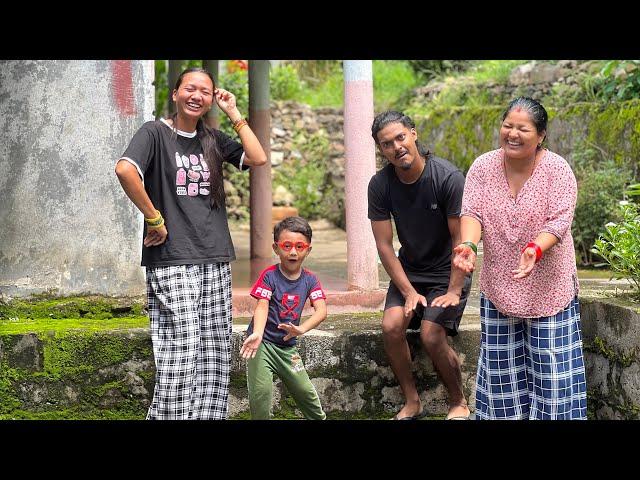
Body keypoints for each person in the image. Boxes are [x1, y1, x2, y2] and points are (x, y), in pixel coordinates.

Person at [114, 67, 267, 419]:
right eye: (189, 89)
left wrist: (234, 114)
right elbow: (125, 169)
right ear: (175, 94)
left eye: (205, 92)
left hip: (214, 255)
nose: (196, 96)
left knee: (213, 349)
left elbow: (257, 158)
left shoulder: (212, 139)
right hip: (172, 256)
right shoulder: (154, 133)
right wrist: (154, 217)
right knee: (181, 347)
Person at [453, 96, 587, 420]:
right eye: (507, 126)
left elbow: (558, 221)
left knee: (551, 374)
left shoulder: (557, 170)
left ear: (540, 135)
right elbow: (471, 211)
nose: (512, 133)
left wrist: (535, 249)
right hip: (500, 284)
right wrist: (469, 247)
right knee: (501, 375)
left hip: (548, 287)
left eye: (522, 128)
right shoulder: (483, 166)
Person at [368, 111, 472, 420]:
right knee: (391, 326)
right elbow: (384, 245)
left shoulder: (447, 177)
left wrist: (454, 290)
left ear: (414, 134)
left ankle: (458, 402)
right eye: (387, 144)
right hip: (410, 271)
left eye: (401, 137)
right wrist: (408, 291)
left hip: (447, 271)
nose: (397, 147)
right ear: (381, 150)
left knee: (430, 334)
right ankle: (412, 401)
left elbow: (461, 241)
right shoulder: (381, 184)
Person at [240, 216, 327, 420]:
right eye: (286, 246)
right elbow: (262, 306)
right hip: (262, 346)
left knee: (305, 391)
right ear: (276, 248)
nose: (293, 252)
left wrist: (302, 329)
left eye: (299, 246)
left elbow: (321, 311)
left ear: (308, 249)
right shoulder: (269, 276)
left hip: (288, 349)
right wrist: (258, 334)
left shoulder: (310, 280)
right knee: (260, 393)